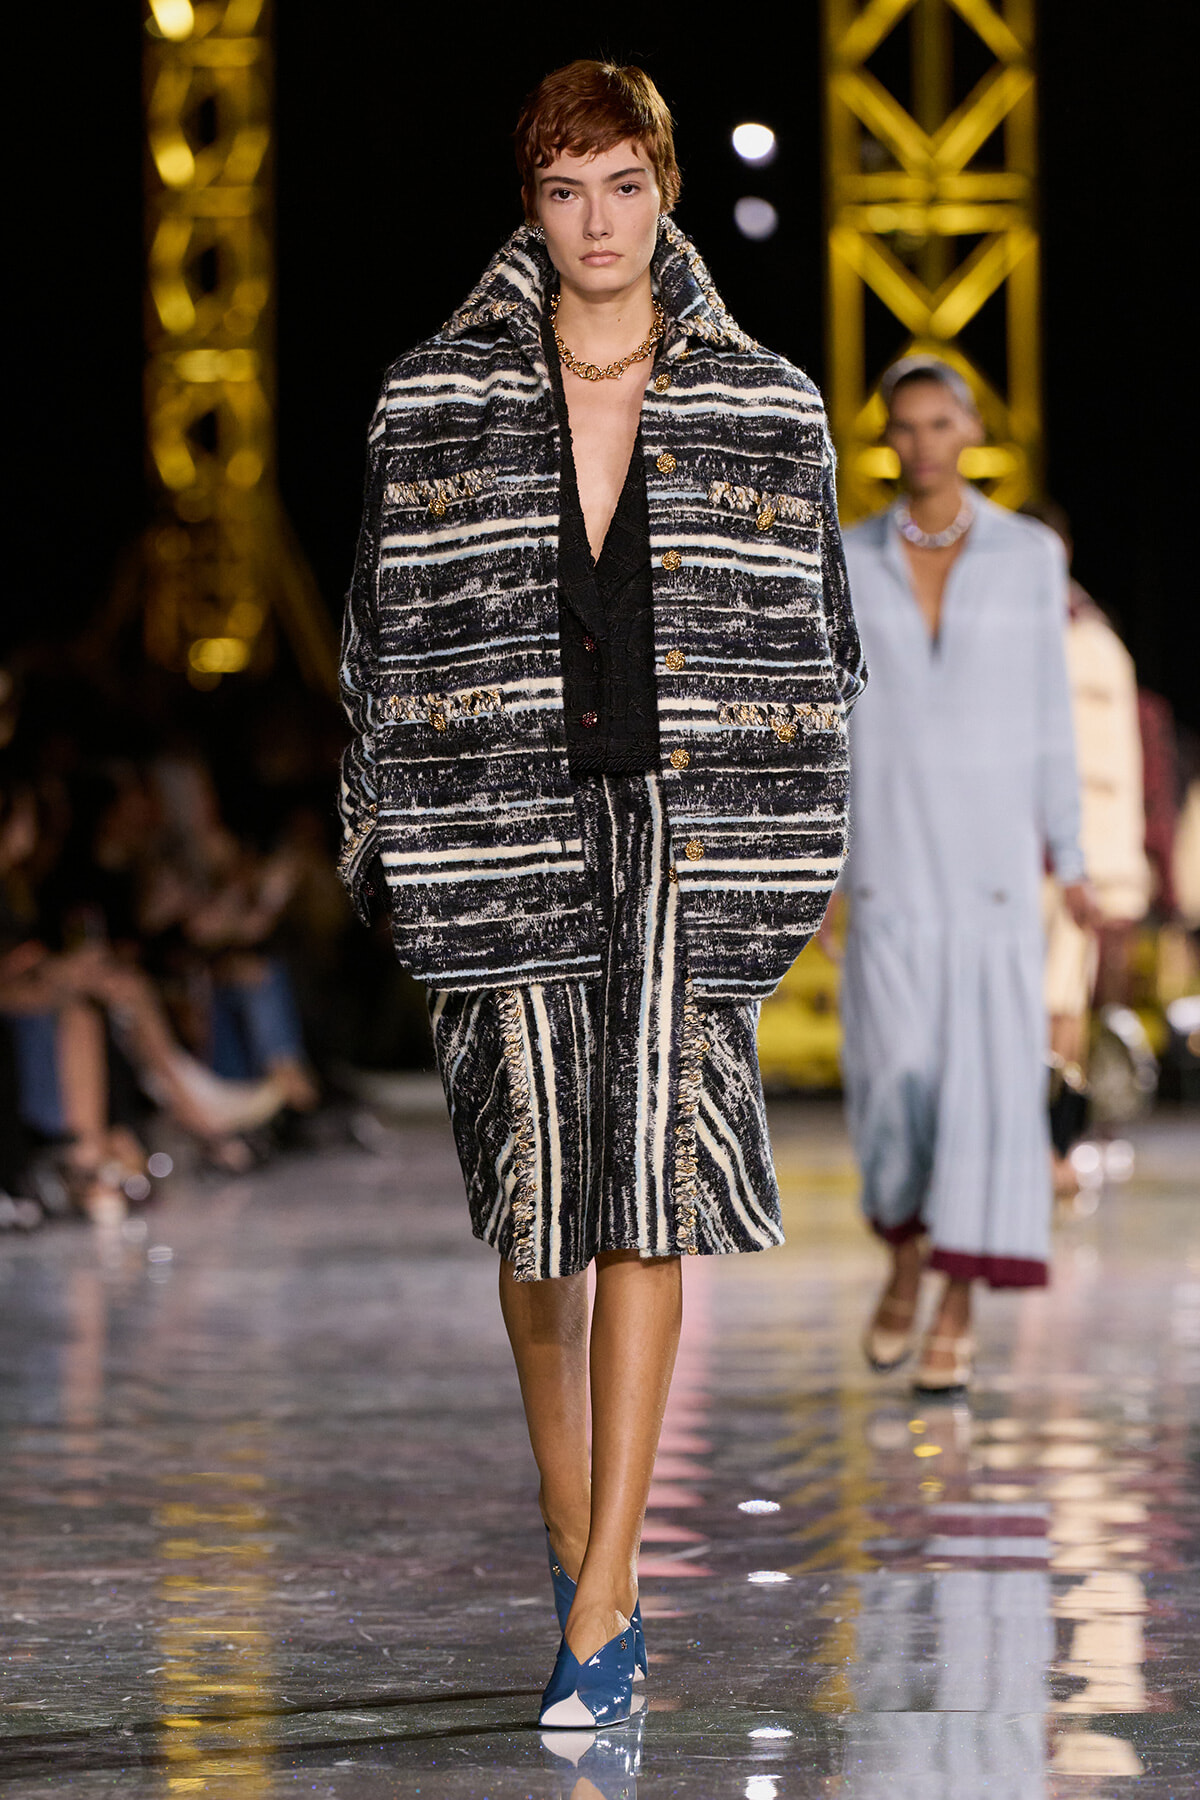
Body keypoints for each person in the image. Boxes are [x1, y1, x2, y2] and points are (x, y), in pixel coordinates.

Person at [337, 60, 864, 1727]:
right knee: (538, 1210)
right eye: (565, 191)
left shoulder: (767, 403)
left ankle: (606, 1590)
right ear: (531, 205)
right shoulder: (433, 399)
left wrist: (791, 849)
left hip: (686, 837)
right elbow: (379, 646)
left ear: (667, 190)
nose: (597, 222)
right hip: (503, 832)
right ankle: (579, 1539)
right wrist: (391, 847)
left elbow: (819, 648)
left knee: (647, 1190)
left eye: (624, 185)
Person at [838, 358, 1093, 1396]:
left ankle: (953, 1307)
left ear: (973, 430)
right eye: (906, 426)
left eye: (941, 423)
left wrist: (1074, 854)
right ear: (887, 439)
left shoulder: (1029, 556)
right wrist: (824, 870)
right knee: (893, 1081)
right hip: (888, 859)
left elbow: (1051, 715)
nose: (924, 444)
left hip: (992, 871)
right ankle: (904, 1257)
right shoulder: (847, 560)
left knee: (985, 1096)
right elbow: (827, 727)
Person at [1022, 502, 1151, 1193]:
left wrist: (1117, 870)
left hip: (1074, 861)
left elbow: (1120, 767)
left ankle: (1053, 1148)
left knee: (1063, 1001)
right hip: (1005, 850)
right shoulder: (990, 628)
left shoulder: (1096, 642)